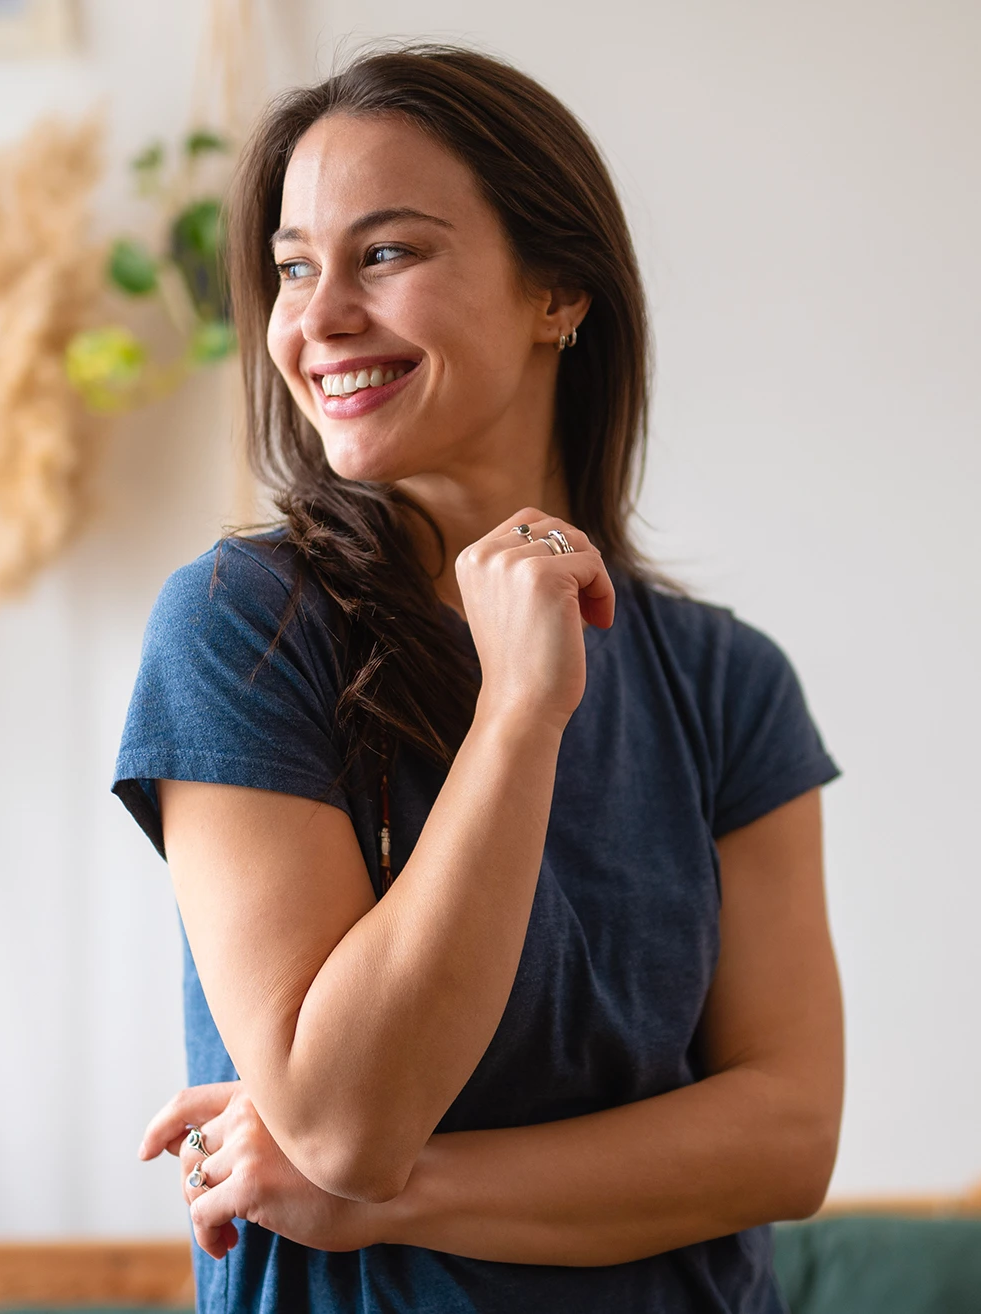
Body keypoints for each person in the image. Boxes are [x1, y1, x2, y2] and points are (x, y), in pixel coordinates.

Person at [112, 42, 844, 1314]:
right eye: (293, 268)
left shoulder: (732, 685)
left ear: (558, 290)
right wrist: (518, 713)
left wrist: (395, 1189)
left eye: (385, 253)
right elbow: (346, 1115)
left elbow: (785, 1141)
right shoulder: (240, 627)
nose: (318, 317)